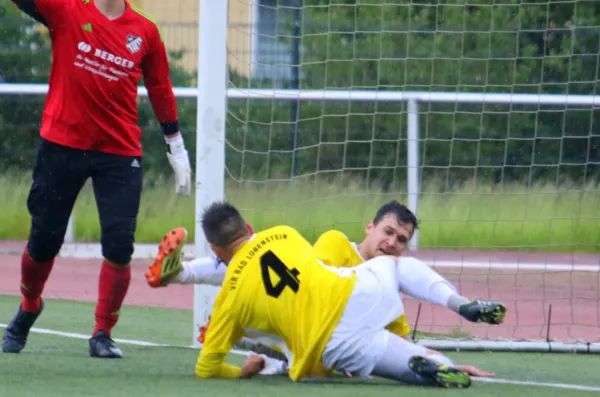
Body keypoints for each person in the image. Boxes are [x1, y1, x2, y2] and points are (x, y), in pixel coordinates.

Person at [2, 0, 192, 359]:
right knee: (43, 242)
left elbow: (161, 87)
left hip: (119, 152)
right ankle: (28, 306)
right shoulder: (66, 10)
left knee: (120, 245)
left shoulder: (146, 31)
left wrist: (176, 146)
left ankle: (102, 332)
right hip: (61, 145)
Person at [145, 201, 503, 377]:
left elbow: (258, 270)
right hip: (345, 309)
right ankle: (463, 304)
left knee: (419, 362)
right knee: (398, 268)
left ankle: (436, 368)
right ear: (369, 228)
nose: (392, 242)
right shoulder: (315, 238)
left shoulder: (275, 243)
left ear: (216, 250)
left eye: (401, 239)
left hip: (323, 349)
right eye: (388, 233)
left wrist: (451, 363)